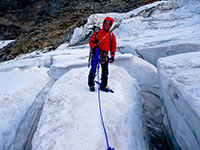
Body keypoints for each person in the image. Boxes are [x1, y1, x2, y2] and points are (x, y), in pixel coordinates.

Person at [88, 16, 117, 92]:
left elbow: (113, 45)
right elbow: (91, 42)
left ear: (110, 25)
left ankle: (103, 85)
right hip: (96, 53)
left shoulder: (111, 36)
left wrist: (113, 55)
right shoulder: (97, 33)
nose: (106, 25)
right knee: (93, 69)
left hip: (104, 55)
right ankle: (91, 84)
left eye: (108, 24)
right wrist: (94, 46)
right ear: (103, 23)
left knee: (105, 72)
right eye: (106, 23)